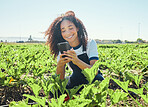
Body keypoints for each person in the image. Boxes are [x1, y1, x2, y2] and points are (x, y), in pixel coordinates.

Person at [45, 11, 104, 96]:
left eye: (70, 28)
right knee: (55, 90)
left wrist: (76, 61)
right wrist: (60, 65)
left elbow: (94, 71)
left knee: (98, 80)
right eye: (63, 30)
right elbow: (60, 80)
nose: (68, 33)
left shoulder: (89, 43)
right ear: (61, 33)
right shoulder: (62, 48)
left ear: (77, 28)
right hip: (75, 78)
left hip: (91, 78)